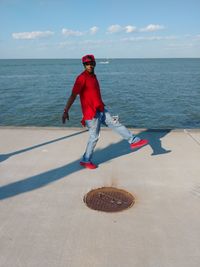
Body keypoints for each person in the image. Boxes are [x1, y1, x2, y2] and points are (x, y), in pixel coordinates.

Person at [62, 54, 148, 169]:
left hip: (100, 109)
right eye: (87, 64)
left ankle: (134, 141)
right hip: (91, 114)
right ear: (84, 65)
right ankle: (86, 160)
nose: (89, 65)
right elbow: (73, 95)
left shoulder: (94, 76)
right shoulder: (81, 78)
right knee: (94, 137)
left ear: (95, 63)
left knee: (115, 123)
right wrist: (66, 110)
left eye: (91, 63)